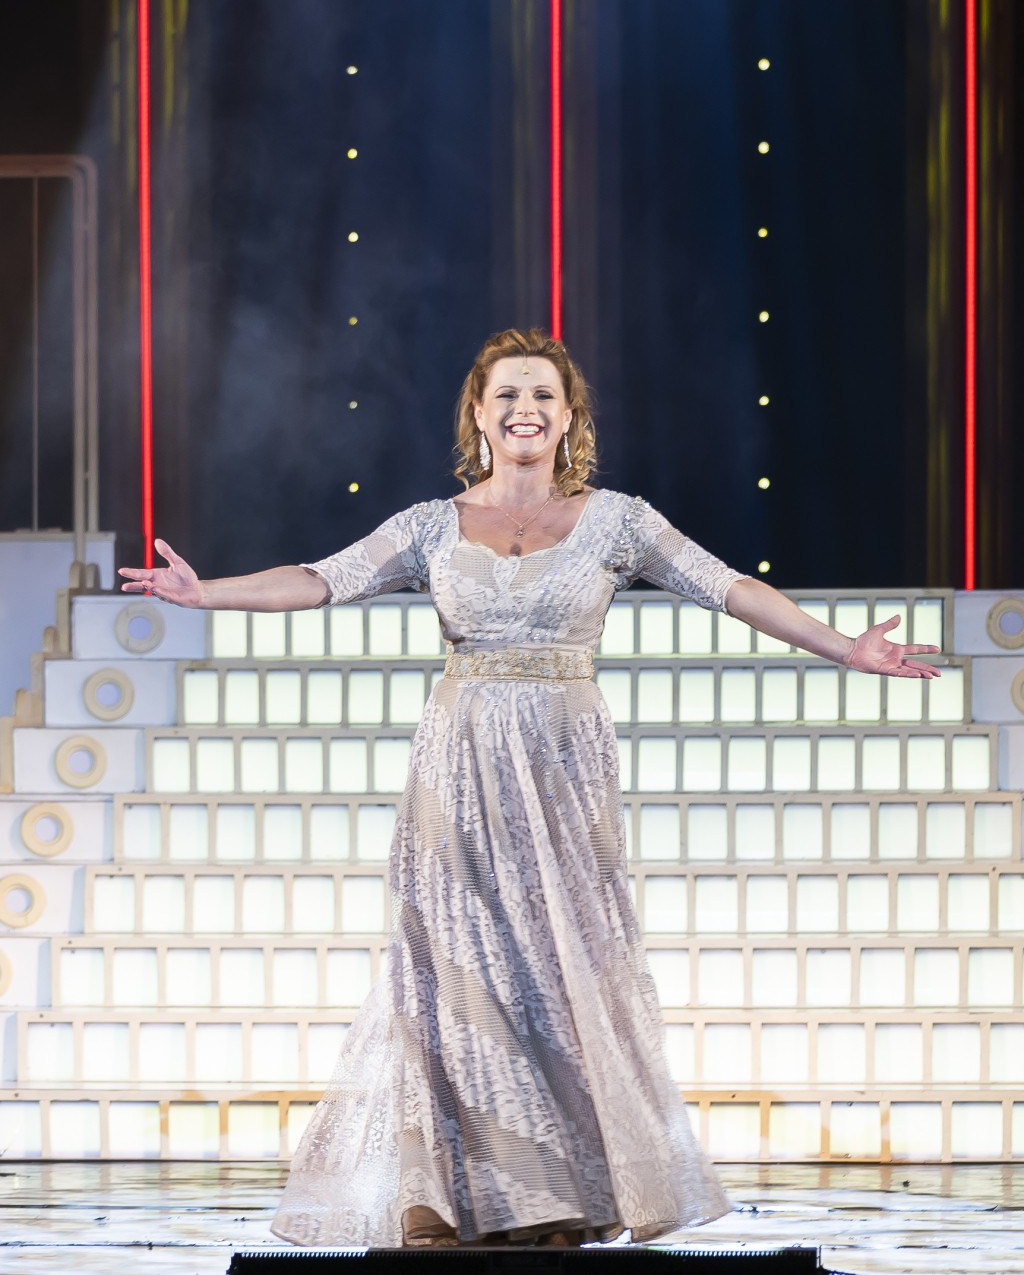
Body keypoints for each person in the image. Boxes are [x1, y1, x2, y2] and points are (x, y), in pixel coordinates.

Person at [119, 328, 941, 1248]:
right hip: (458, 767)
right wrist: (207, 592)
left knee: (558, 970)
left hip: (562, 767)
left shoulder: (617, 520)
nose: (525, 407)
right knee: (456, 976)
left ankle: (558, 1200)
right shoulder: (431, 524)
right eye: (508, 393)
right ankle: (447, 1198)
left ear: (568, 417)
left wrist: (846, 647)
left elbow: (730, 587)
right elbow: (320, 580)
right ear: (478, 413)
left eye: (544, 394)